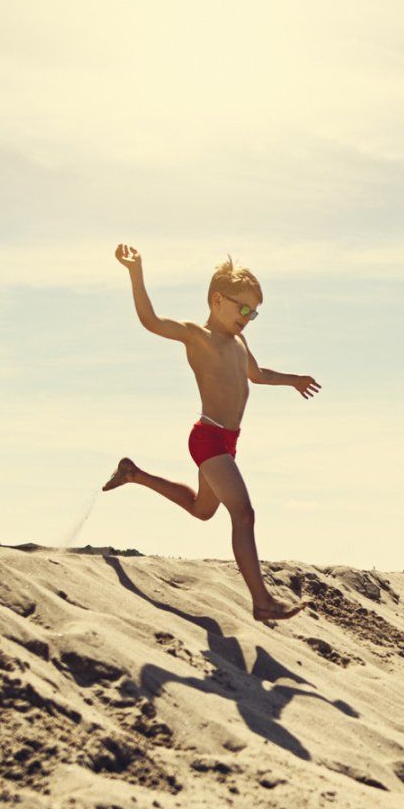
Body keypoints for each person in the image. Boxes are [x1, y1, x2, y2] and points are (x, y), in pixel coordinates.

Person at [102, 245, 319, 623]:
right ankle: (262, 601)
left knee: (203, 511)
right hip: (208, 438)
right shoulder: (197, 336)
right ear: (218, 299)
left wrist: (293, 380)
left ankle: (133, 474)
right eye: (243, 309)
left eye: (254, 312)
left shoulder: (239, 342)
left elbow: (256, 374)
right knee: (244, 513)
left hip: (227, 442)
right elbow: (151, 321)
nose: (248, 318)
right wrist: (136, 272)